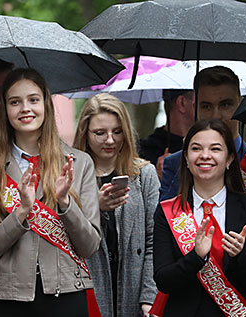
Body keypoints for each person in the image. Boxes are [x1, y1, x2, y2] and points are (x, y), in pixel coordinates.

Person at [159, 66, 246, 316]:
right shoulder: (177, 164)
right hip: (193, 294)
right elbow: (164, 229)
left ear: (240, 104)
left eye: (226, 104)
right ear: (195, 107)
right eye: (207, 106)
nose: (217, 114)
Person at [0, 68, 101, 316]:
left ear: (46, 104)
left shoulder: (79, 163)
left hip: (66, 294)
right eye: (15, 102)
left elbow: (90, 246)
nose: (25, 108)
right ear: (5, 109)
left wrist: (64, 203)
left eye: (33, 99)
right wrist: (20, 213)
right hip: (6, 297)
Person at [154, 119, 246, 316]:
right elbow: (163, 280)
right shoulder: (168, 211)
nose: (205, 156)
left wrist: (239, 255)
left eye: (215, 149)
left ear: (230, 158)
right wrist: (195, 257)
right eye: (196, 149)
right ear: (187, 159)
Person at [73, 93, 158, 317]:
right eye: (100, 133)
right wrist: (95, 208)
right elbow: (64, 236)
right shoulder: (71, 176)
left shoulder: (143, 175)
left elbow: (154, 239)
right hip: (88, 287)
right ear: (85, 133)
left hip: (133, 287)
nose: (110, 140)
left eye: (117, 132)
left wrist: (149, 295)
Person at [139, 89, 194, 179]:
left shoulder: (207, 146)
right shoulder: (144, 151)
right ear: (182, 102)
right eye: (203, 104)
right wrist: (156, 178)